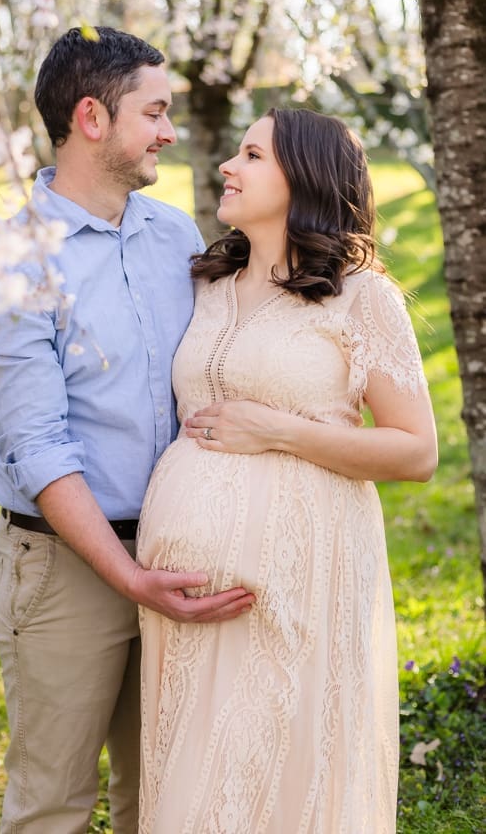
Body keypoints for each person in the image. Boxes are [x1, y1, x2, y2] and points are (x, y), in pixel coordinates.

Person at [0, 26, 254, 834]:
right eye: (153, 112)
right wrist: (127, 579)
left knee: (160, 794)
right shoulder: (12, 263)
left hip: (179, 548)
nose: (168, 131)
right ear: (91, 117)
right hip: (63, 567)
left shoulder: (172, 236)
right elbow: (36, 449)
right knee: (53, 802)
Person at [136, 107, 438, 834]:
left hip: (299, 579)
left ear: (302, 176)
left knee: (273, 772)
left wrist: (278, 430)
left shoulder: (361, 296)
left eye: (250, 155)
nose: (226, 169)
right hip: (181, 607)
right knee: (191, 784)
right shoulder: (209, 281)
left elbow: (416, 450)